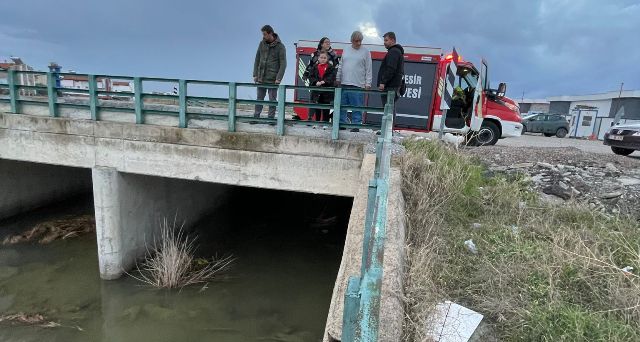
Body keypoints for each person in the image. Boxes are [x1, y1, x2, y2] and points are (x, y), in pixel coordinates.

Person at [336, 31, 372, 132]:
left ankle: (356, 125)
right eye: (356, 41)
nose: (359, 43)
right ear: (351, 40)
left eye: (360, 41)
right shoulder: (346, 50)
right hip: (344, 82)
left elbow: (368, 68)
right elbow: (341, 65)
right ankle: (342, 123)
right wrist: (338, 78)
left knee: (357, 106)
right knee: (342, 105)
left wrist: (368, 83)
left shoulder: (366, 51)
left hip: (358, 83)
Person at [253, 25, 287, 121]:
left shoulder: (280, 47)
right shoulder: (261, 44)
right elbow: (257, 59)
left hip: (273, 79)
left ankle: (270, 119)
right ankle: (256, 117)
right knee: (259, 99)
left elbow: (283, 64)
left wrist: (279, 78)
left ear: (270, 33)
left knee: (272, 100)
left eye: (264, 34)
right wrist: (255, 74)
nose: (263, 36)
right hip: (261, 78)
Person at [377, 31, 405, 125]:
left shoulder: (393, 52)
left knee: (388, 108)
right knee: (390, 108)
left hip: (390, 86)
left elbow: (390, 69)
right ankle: (388, 130)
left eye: (386, 40)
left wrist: (383, 82)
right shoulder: (397, 52)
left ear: (392, 40)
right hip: (394, 86)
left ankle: (387, 130)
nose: (384, 42)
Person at [307, 51, 337, 126]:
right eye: (321, 57)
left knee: (326, 108)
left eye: (324, 58)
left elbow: (332, 77)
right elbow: (311, 76)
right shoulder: (314, 67)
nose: (323, 59)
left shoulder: (331, 68)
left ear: (327, 59)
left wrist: (324, 81)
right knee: (317, 107)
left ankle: (325, 124)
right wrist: (315, 82)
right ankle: (317, 122)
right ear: (318, 58)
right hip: (317, 91)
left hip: (326, 92)